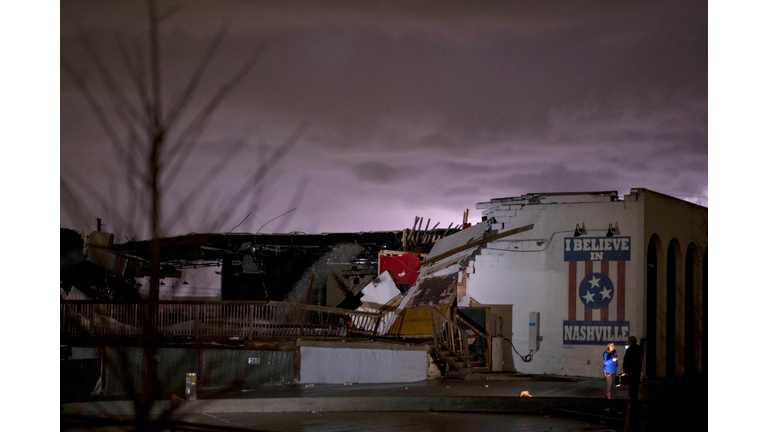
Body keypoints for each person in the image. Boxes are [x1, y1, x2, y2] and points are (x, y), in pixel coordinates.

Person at [623, 336, 644, 401]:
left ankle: (632, 397)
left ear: (630, 342)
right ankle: (635, 396)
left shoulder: (629, 350)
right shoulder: (639, 348)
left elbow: (626, 360)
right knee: (636, 384)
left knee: (631, 384)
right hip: (637, 369)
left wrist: (625, 369)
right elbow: (642, 356)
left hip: (631, 370)